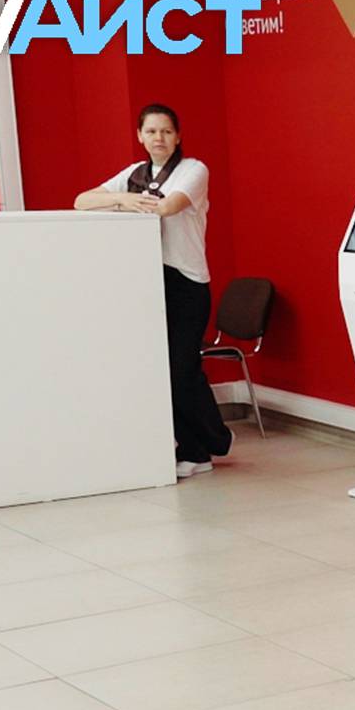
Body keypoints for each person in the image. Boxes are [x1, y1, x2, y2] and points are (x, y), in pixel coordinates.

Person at [75, 103, 228, 479]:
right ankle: (199, 444)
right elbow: (81, 201)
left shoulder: (193, 170)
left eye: (166, 131)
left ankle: (206, 445)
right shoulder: (134, 174)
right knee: (161, 369)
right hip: (147, 281)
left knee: (181, 369)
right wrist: (122, 198)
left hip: (187, 282)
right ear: (140, 136)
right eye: (151, 131)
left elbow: (168, 206)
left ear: (178, 136)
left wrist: (131, 201)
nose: (159, 138)